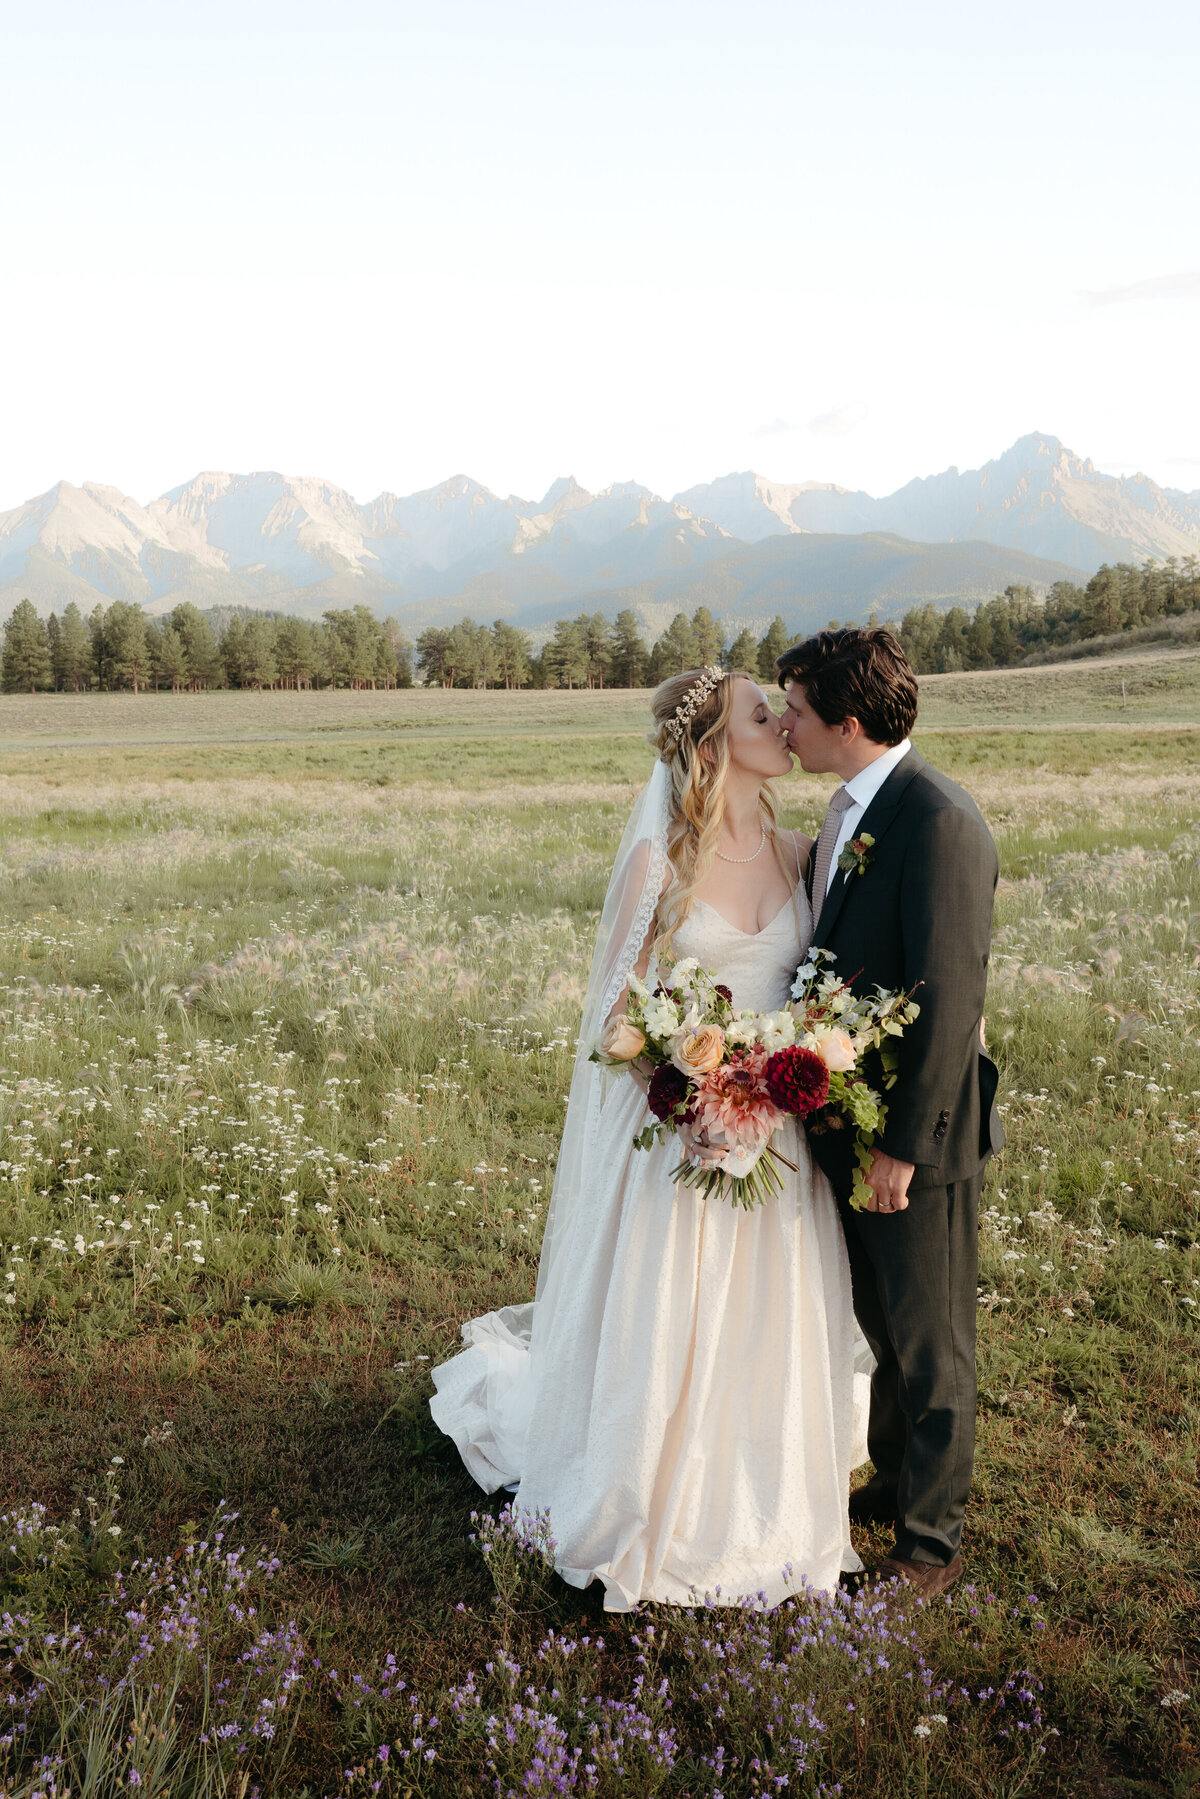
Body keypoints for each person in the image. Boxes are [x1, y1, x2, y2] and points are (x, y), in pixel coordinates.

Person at [430, 667, 870, 1610]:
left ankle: (760, 1492)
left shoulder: (803, 853)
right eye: (764, 714)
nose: (784, 725)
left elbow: (817, 987)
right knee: (672, 1305)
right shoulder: (658, 862)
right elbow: (614, 1019)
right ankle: (637, 1489)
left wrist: (782, 1078)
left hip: (779, 1136)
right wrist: (691, 1096)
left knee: (764, 1317)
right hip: (686, 1135)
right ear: (713, 746)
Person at [778, 626, 1004, 1599]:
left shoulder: (939, 819)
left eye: (794, 708)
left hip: (917, 1136)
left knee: (932, 1338)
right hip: (845, 1119)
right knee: (881, 1322)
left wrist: (905, 1147)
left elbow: (948, 998)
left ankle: (930, 1545)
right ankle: (892, 1476)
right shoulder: (848, 810)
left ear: (847, 721)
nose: (783, 723)